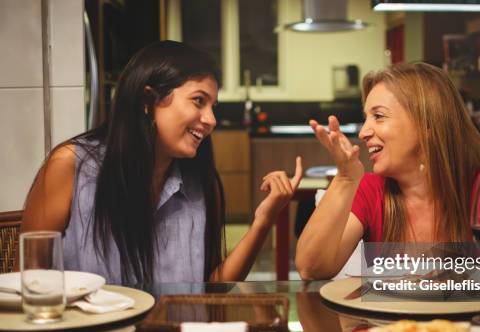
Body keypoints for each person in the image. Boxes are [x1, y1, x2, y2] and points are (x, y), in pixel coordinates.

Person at [21, 41, 302, 284]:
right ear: (148, 100)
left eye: (212, 106)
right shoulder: (71, 166)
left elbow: (210, 287)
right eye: (198, 101)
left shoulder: (201, 184)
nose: (212, 120)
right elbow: (32, 277)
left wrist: (263, 222)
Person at [296, 62, 480, 280]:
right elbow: (311, 268)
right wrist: (345, 177)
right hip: (390, 330)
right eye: (366, 118)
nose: (363, 132)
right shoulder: (371, 189)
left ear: (426, 125)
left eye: (378, 116)